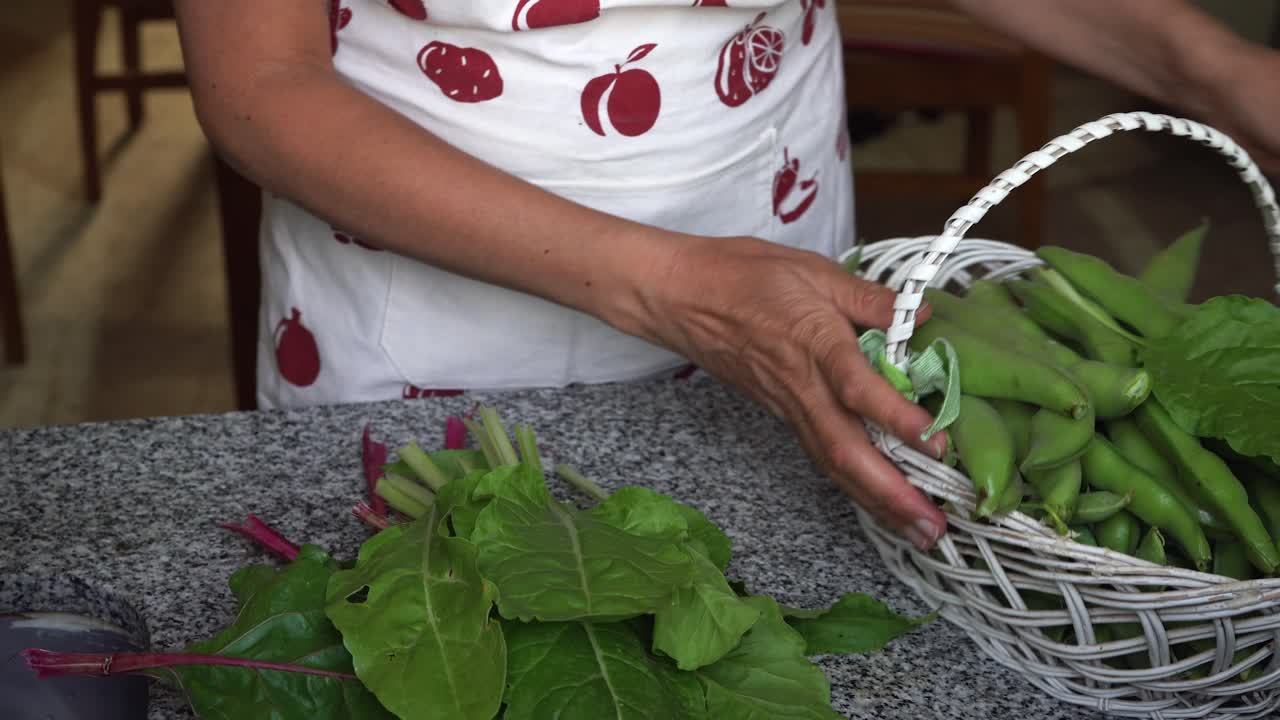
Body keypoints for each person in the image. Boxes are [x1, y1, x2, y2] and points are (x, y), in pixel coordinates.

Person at [173, 0, 1280, 552]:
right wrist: (677, 290)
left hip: (782, 265)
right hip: (433, 329)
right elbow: (259, 85)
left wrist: (1215, 71)